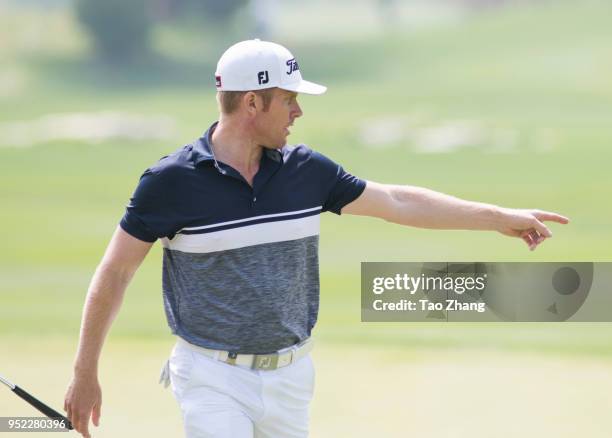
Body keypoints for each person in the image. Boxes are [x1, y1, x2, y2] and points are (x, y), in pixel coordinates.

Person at [63, 39, 569, 438]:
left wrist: (498, 216)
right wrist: (85, 371)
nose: (298, 112)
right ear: (254, 102)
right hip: (211, 376)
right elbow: (117, 270)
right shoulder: (170, 182)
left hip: (291, 377)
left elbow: (396, 201)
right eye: (290, 99)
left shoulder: (306, 171)